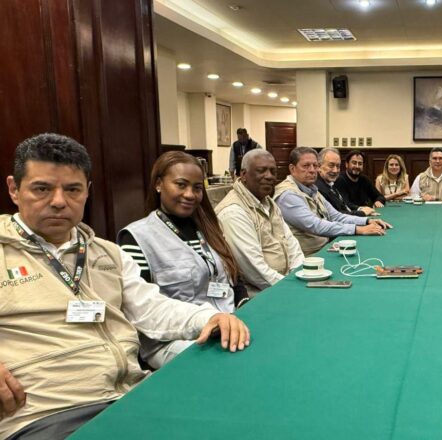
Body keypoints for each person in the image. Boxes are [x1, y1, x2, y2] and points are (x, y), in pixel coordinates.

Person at [0, 134, 249, 440]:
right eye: (42, 189)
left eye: (72, 189)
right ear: (14, 189)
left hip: (130, 394)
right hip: (47, 414)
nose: (58, 201)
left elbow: (152, 308)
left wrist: (206, 318)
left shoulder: (107, 253)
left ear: (87, 192)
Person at [118, 151, 243, 369]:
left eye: (197, 187)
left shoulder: (206, 227)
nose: (190, 194)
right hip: (172, 339)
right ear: (158, 184)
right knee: (230, 365)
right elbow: (144, 309)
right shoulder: (137, 237)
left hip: (224, 320)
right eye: (181, 185)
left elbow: (230, 277)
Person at [215, 150, 305, 297]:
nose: (269, 176)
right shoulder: (233, 212)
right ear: (243, 175)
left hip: (286, 283)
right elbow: (256, 272)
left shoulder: (267, 201)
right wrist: (293, 289)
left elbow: (292, 244)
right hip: (260, 295)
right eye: (261, 171)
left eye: (273, 171)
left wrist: (300, 276)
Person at [274, 147, 392, 256]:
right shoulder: (288, 195)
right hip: (306, 257)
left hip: (323, 248)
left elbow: (336, 216)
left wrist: (367, 221)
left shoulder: (312, 189)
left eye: (315, 166)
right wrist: (358, 229)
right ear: (292, 169)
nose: (312, 170)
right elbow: (316, 226)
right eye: (306, 166)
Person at [316, 148, 375, 217]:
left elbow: (343, 206)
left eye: (338, 166)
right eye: (331, 165)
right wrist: (362, 213)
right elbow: (336, 215)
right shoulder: (318, 188)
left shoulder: (330, 183)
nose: (335, 171)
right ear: (319, 166)